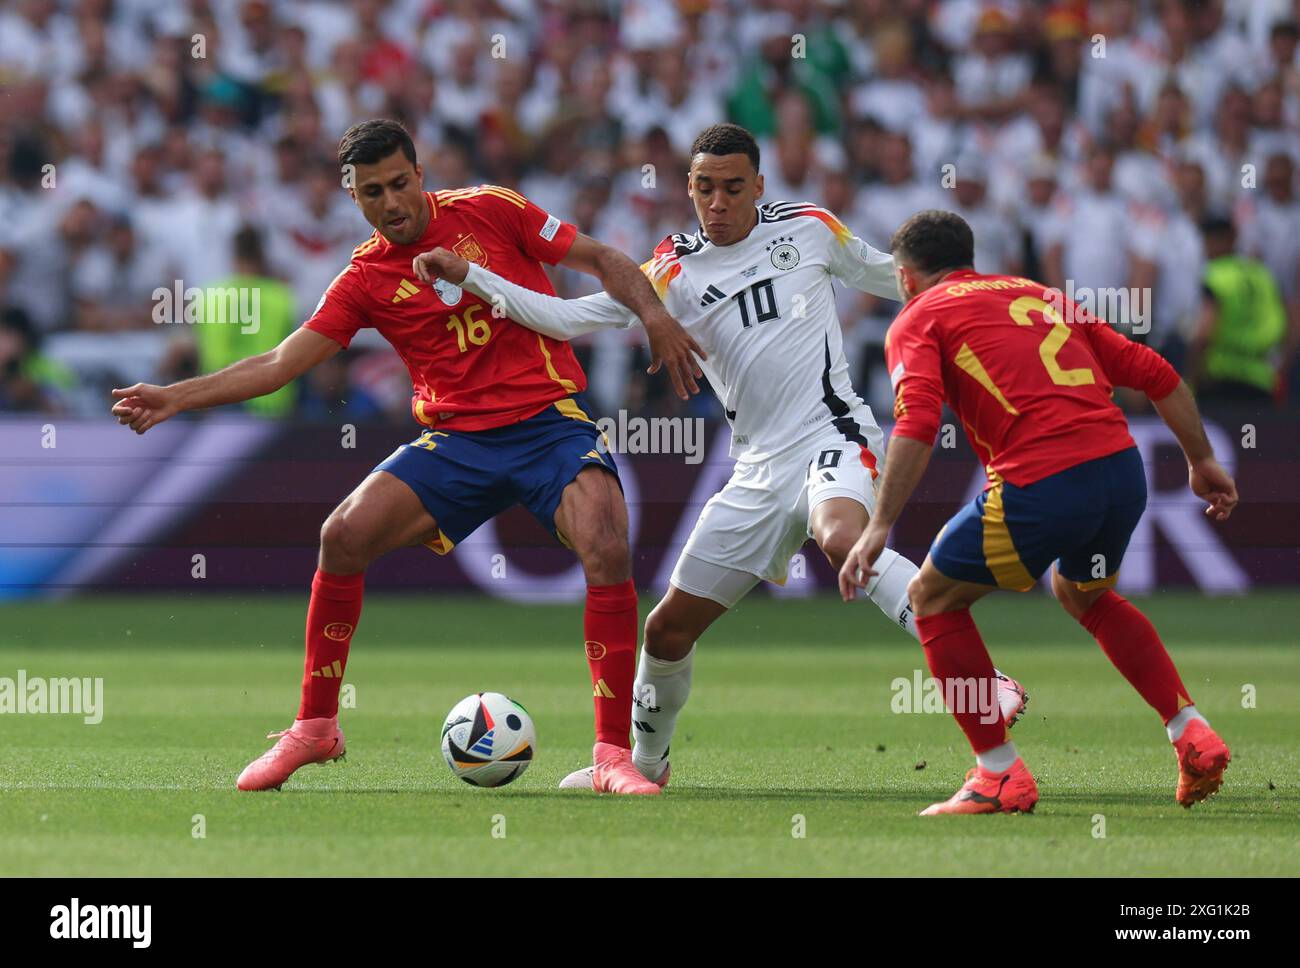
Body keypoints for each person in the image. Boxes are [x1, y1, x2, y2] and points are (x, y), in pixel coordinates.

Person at [411, 124, 1029, 791]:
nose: (719, 202)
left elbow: (902, 279)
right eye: (705, 187)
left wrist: (1005, 305)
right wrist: (470, 275)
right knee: (666, 631)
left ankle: (983, 684)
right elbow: (565, 318)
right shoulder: (671, 271)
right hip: (756, 473)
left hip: (833, 434)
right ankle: (644, 766)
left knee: (842, 538)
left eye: (734, 187)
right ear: (689, 189)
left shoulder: (812, 229)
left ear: (759, 187)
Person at [110, 119, 703, 795]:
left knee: (605, 543)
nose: (391, 202)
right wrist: (173, 398)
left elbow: (600, 258)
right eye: (372, 192)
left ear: (420, 175)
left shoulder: (491, 209)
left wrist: (654, 316)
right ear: (354, 199)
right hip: (457, 442)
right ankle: (315, 728)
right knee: (342, 536)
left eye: (399, 183)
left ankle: (610, 755)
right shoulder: (364, 278)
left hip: (549, 425)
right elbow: (279, 364)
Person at [839, 210, 1237, 815]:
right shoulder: (1040, 294)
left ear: (905, 277)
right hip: (1120, 472)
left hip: (1044, 481)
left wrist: (879, 525)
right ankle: (1189, 729)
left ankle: (997, 774)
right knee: (1084, 594)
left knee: (932, 598)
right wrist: (1201, 459)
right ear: (968, 260)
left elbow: (918, 422)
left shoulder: (918, 316)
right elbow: (1157, 373)